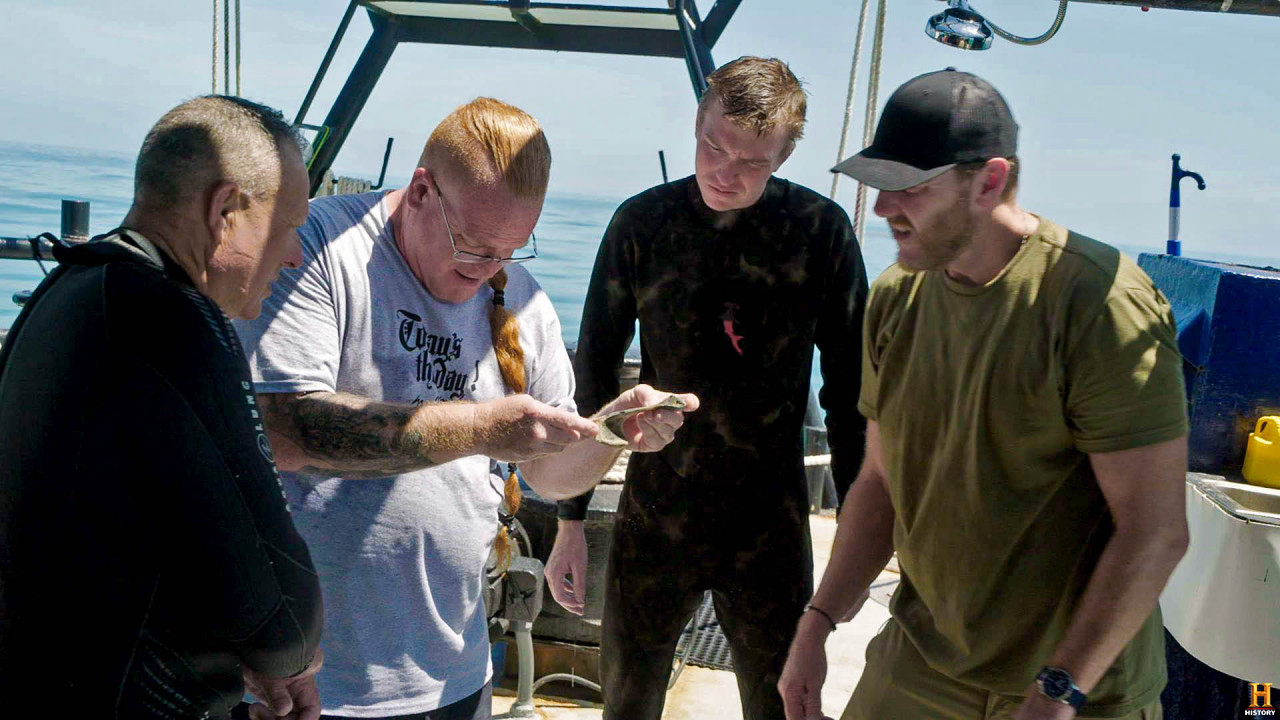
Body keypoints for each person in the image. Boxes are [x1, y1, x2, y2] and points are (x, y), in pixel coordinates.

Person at [232, 96, 697, 720]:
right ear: (421, 191)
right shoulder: (317, 246)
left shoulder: (524, 302)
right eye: (474, 246)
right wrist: (481, 427)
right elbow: (286, 432)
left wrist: (612, 432)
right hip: (309, 681)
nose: (489, 271)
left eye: (511, 251)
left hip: (453, 672)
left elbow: (550, 474)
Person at [778, 68, 1190, 720]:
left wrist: (1057, 694)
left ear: (989, 180)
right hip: (926, 657)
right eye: (878, 187)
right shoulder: (895, 299)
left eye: (907, 188)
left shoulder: (1099, 303)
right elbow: (881, 486)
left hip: (1080, 685)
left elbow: (1155, 532)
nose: (883, 209)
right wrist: (818, 622)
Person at [545, 56, 868, 720]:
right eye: (712, 147)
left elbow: (851, 396)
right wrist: (569, 523)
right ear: (697, 120)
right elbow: (595, 376)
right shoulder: (643, 225)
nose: (725, 171)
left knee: (784, 704)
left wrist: (861, 544)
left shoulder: (821, 233)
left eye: (752, 163)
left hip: (770, 524)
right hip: (658, 512)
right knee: (628, 705)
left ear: (783, 156)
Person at [0, 96, 324, 719]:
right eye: (288, 227)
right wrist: (289, 656)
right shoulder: (174, 323)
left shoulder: (68, 288)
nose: (294, 257)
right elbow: (285, 622)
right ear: (226, 210)